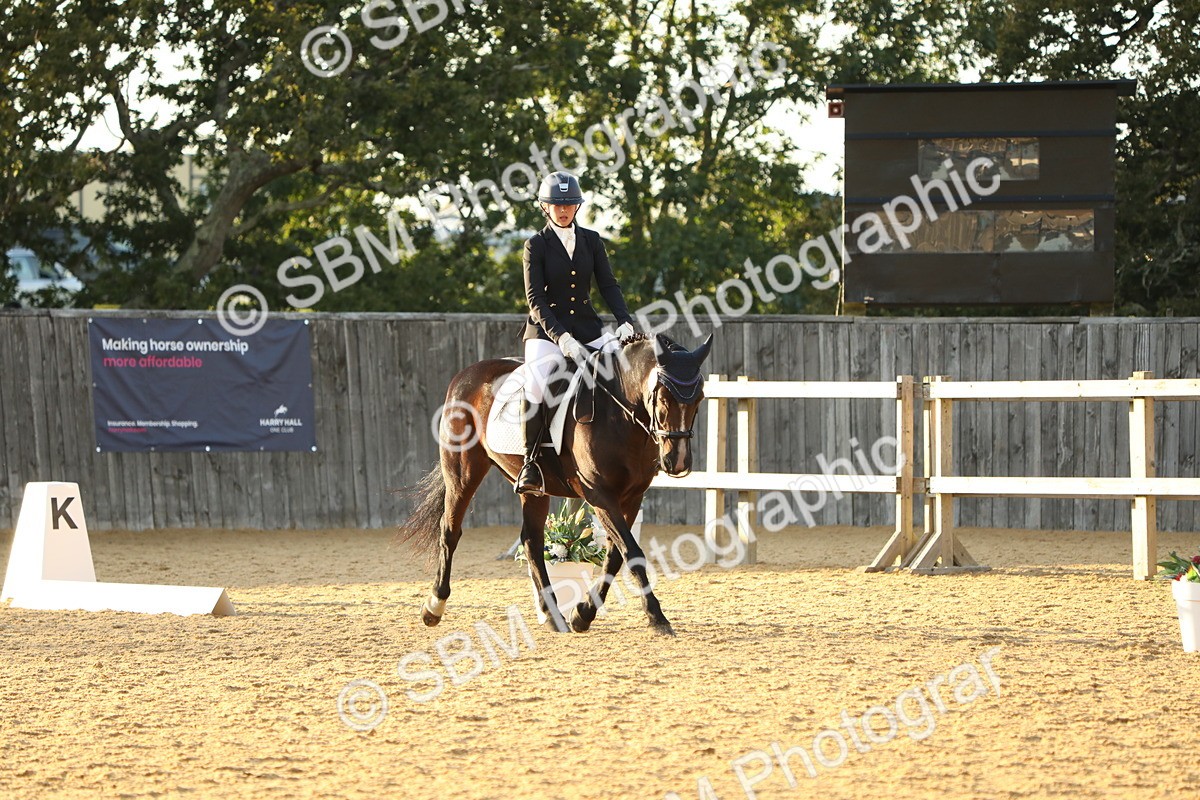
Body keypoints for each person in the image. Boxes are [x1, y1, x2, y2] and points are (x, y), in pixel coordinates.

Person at [516, 171, 636, 496]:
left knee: (623, 369)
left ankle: (621, 447)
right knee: (537, 383)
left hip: (588, 327)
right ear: (545, 207)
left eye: (569, 203)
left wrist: (624, 319)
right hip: (545, 332)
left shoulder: (592, 241)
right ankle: (530, 463)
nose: (564, 209)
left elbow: (608, 284)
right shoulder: (535, 245)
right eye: (557, 204)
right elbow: (535, 299)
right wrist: (561, 337)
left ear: (577, 206)